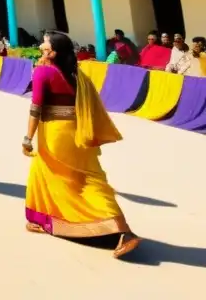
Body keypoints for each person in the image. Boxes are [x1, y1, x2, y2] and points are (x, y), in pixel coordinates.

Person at [23, 31, 141, 258]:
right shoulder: (76, 74)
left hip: (55, 134)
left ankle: (121, 231)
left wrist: (27, 138)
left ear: (52, 51)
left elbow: (36, 108)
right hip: (77, 133)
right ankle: (45, 219)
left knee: (55, 177)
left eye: (45, 42)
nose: (41, 44)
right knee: (88, 179)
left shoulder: (43, 72)